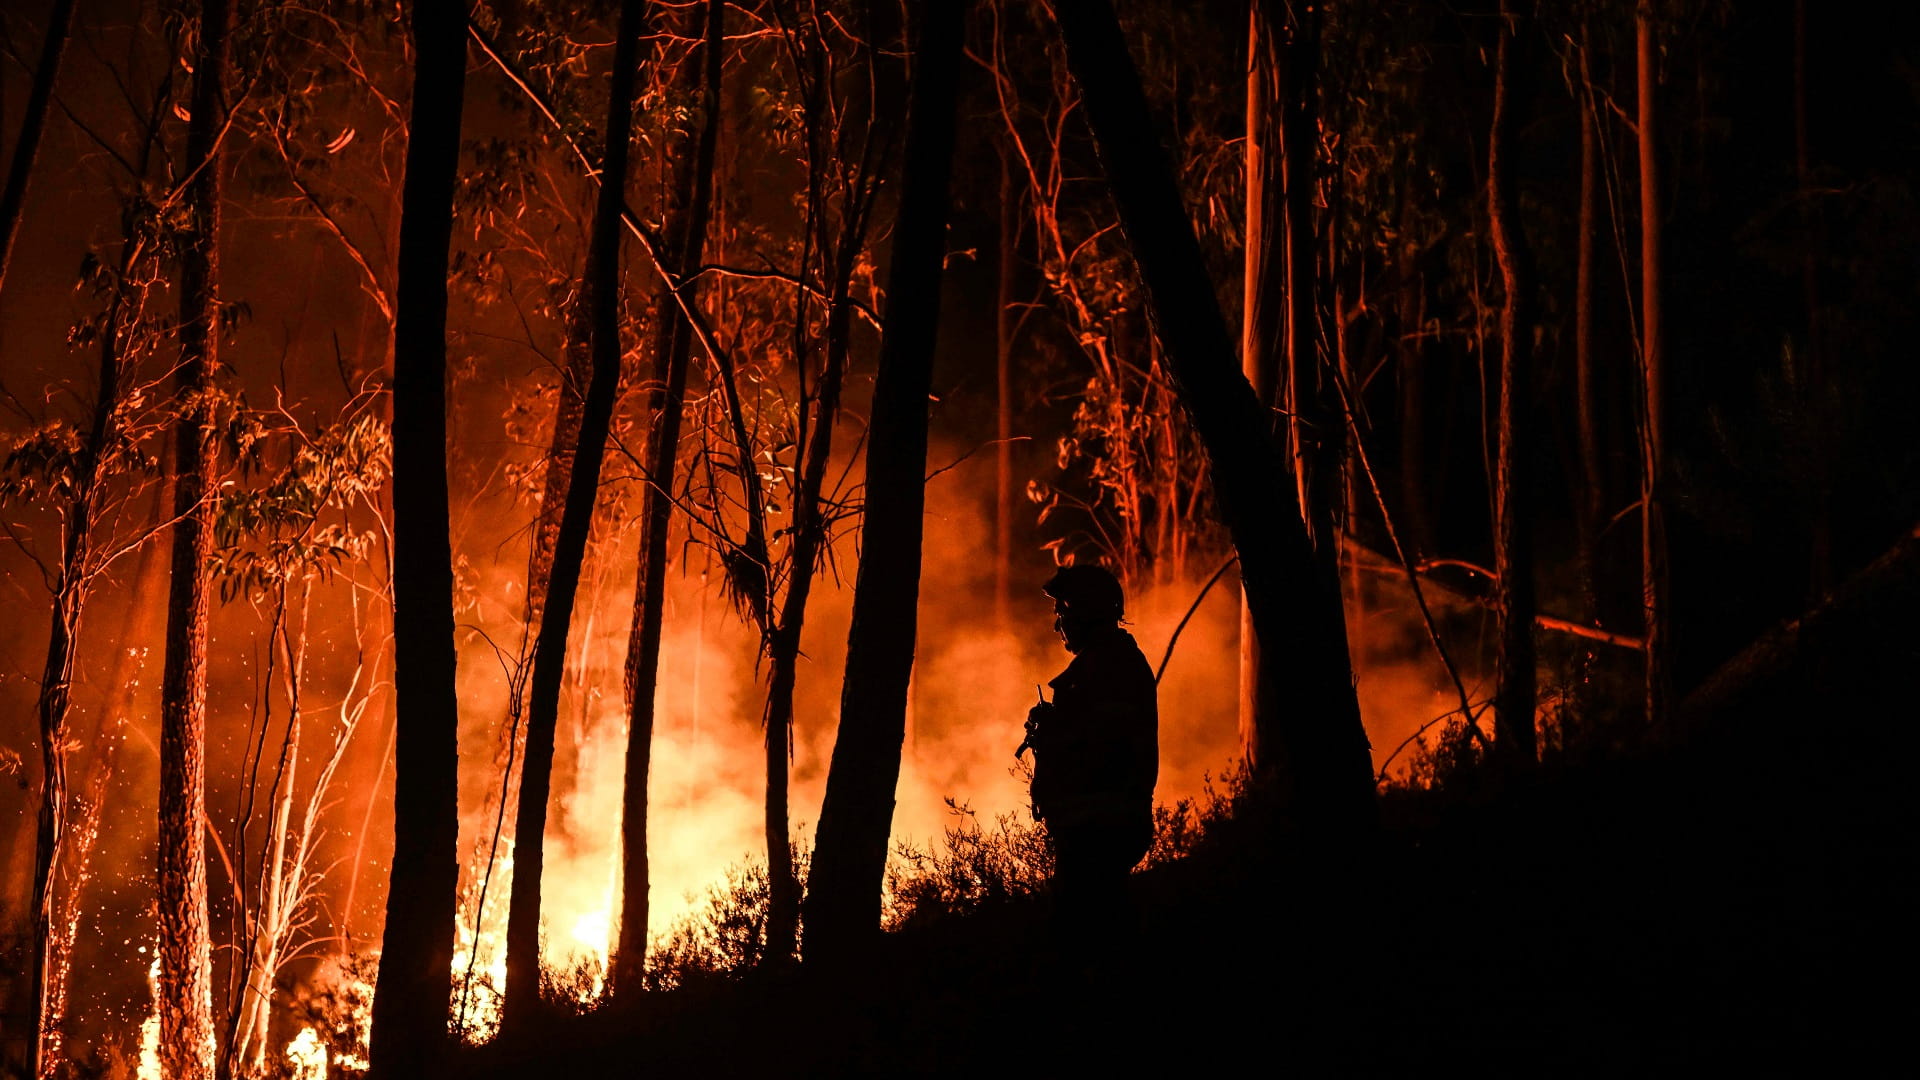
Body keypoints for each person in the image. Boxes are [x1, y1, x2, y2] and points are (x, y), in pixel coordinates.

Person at [1023, 563, 1158, 958]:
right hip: (1096, 827)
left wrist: (1055, 730)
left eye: (1061, 614)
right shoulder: (1109, 666)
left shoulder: (1109, 670)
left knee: (1079, 942)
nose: (1057, 626)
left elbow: (1102, 748)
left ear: (1085, 611)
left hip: (1099, 829)